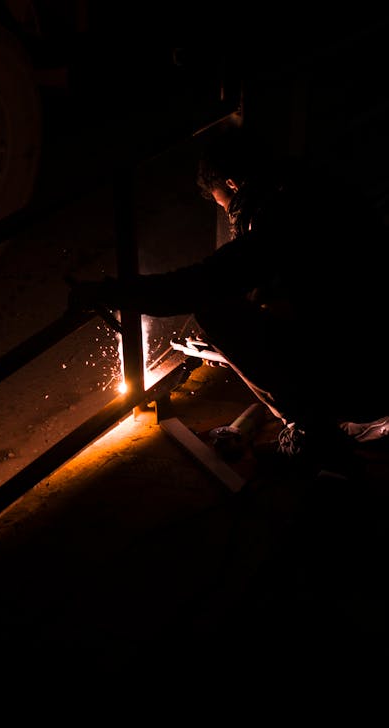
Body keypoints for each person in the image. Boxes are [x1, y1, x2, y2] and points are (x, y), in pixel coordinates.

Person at [68, 117, 389, 479]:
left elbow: (198, 286)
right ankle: (329, 420)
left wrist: (109, 293)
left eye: (226, 206)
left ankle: (313, 435)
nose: (230, 218)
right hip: (381, 364)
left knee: (214, 309)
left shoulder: (279, 218)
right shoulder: (314, 185)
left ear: (234, 183)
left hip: (365, 385)